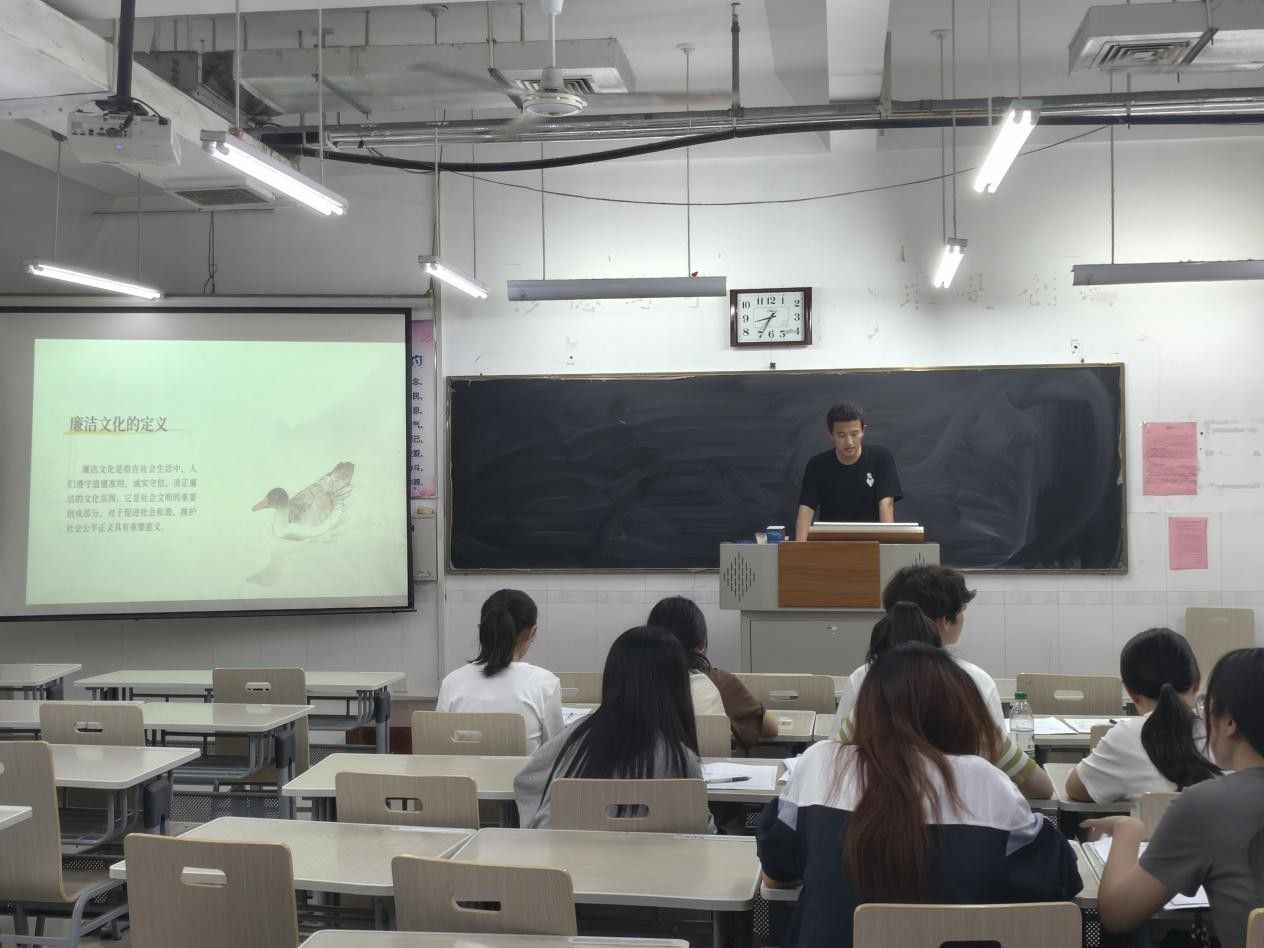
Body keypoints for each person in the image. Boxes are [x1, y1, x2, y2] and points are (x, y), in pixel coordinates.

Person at [758, 642, 1081, 948]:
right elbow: (1059, 879)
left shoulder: (821, 762)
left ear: (867, 708)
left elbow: (777, 872)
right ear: (958, 713)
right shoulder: (988, 783)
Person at [1086, 648, 1264, 948]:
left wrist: (1127, 830)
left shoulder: (1207, 805)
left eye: (1209, 705)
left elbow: (1117, 914)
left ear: (1229, 722)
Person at [832, 600, 1054, 801]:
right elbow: (1043, 788)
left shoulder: (862, 719)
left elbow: (831, 773)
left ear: (875, 671)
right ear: (939, 665)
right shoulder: (973, 723)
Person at [514, 625, 704, 828]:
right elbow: (699, 827)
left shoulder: (574, 736)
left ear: (612, 678)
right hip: (646, 850)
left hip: (563, 848)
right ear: (677, 687)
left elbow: (526, 781)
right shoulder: (681, 759)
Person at [1066, 627, 1219, 803]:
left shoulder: (1124, 737)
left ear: (1131, 693)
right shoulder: (1223, 735)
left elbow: (1075, 789)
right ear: (1197, 682)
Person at [436, 589, 562, 753]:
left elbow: (439, 750)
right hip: (521, 771)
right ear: (532, 632)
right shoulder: (546, 684)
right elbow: (555, 754)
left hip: (462, 770)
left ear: (483, 630)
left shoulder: (451, 683)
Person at [648, 595, 778, 748]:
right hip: (706, 763)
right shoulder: (721, 682)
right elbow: (771, 729)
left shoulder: (634, 682)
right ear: (701, 645)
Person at [794, 401, 902, 540]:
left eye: (854, 434)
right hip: (830, 543)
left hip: (873, 542)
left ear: (863, 431)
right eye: (841, 435)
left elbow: (886, 504)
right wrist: (799, 548)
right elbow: (806, 510)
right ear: (830, 434)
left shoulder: (881, 458)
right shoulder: (817, 465)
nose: (849, 442)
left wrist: (887, 546)